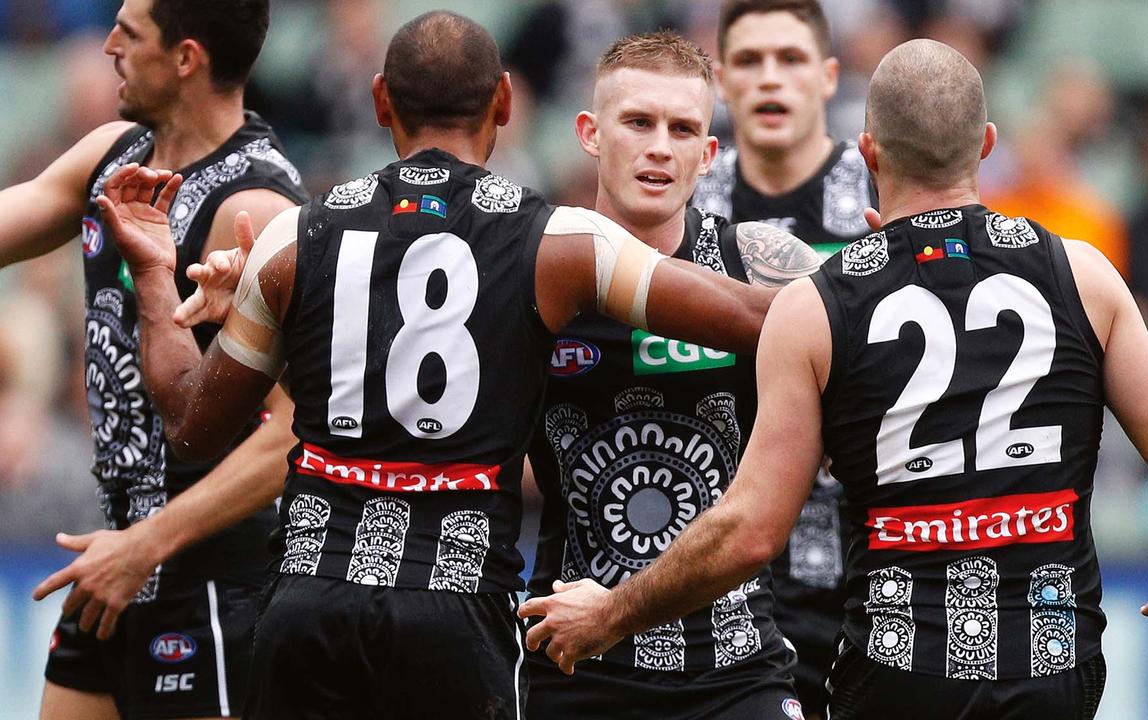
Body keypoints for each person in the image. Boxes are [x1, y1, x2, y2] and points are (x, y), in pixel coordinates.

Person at [520, 39, 1148, 720]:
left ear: (868, 152)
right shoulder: (1083, 273)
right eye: (638, 122)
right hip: (1049, 658)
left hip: (897, 664)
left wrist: (612, 613)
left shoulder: (824, 303)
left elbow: (751, 531)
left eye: (680, 127)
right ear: (986, 144)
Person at [95, 12, 777, 719]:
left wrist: (151, 270)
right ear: (505, 105)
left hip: (309, 602)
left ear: (381, 99)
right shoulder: (558, 242)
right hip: (454, 609)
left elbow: (188, 422)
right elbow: (758, 319)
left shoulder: (295, 237)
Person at [1, 1, 307, 718]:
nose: (106, 45)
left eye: (128, 34)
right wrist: (130, 551)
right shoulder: (113, 152)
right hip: (113, 567)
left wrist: (149, 543)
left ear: (186, 58)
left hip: (215, 578)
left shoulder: (258, 209)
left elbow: (298, 429)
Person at [524, 31, 817, 719]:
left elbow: (888, 336)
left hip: (736, 661)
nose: (660, 145)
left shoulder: (758, 260)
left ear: (708, 154)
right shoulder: (530, 269)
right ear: (590, 134)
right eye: (638, 123)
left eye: (683, 129)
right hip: (577, 656)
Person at [690, 1, 878, 710]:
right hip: (712, 581)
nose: (771, 79)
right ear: (721, 79)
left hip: (869, 576)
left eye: (791, 59)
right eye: (750, 60)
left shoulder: (883, 196)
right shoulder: (678, 200)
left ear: (829, 76)